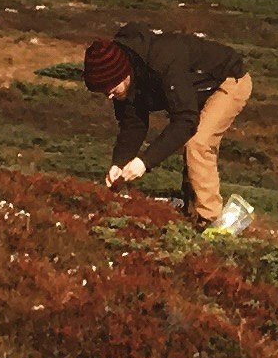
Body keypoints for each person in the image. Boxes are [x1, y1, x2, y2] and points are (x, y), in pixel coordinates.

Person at [84, 19, 255, 234]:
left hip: (227, 79)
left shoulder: (162, 60)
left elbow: (185, 121)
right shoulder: (125, 78)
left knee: (198, 143)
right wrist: (119, 163)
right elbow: (132, 125)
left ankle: (210, 220)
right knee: (193, 145)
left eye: (111, 89)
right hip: (194, 87)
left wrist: (144, 162)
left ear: (123, 73)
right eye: (103, 91)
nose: (109, 95)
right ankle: (191, 210)